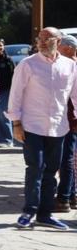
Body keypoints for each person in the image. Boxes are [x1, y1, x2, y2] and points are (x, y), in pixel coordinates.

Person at [8, 27, 77, 230]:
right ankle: (29, 211)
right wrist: (16, 123)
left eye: (48, 38)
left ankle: (45, 214)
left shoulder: (69, 66)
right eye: (40, 38)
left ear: (59, 40)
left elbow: (75, 95)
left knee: (51, 171)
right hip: (32, 125)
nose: (42, 41)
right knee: (35, 168)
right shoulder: (28, 65)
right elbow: (15, 94)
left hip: (59, 127)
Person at [52, 36, 77, 212]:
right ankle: (71, 195)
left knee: (65, 158)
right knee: (69, 158)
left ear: (68, 48)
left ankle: (64, 198)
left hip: (67, 118)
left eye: (59, 46)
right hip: (67, 117)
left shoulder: (68, 67)